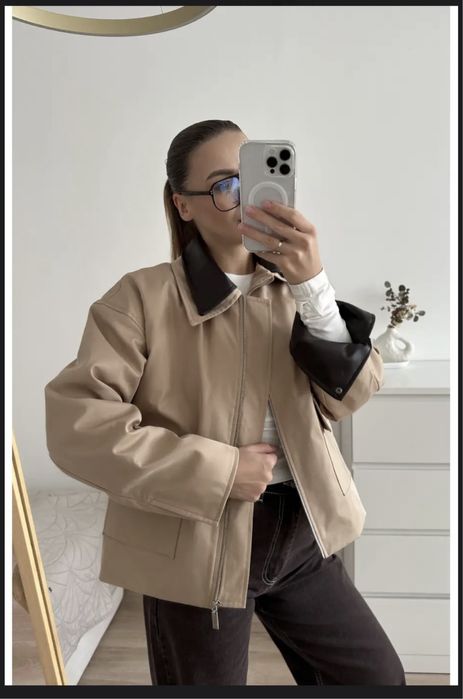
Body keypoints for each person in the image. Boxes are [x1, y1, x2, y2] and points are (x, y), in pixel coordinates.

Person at [45, 119, 406, 686]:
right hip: (195, 544)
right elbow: (78, 427)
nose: (243, 197)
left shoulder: (294, 291)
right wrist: (222, 470)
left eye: (251, 177)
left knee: (377, 679)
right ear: (183, 204)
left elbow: (352, 396)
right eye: (223, 185)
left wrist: (313, 284)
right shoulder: (140, 299)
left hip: (301, 535)